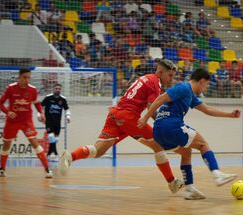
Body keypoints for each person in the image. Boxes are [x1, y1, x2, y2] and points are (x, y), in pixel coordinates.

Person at [59, 59, 184, 194]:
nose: (171, 79)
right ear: (160, 72)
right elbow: (151, 108)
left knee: (98, 150)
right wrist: (165, 124)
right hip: (129, 117)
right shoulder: (155, 83)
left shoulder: (145, 78)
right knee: (158, 146)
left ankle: (69, 157)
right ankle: (172, 183)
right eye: (170, 75)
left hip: (115, 114)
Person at [138, 68, 240, 200]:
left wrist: (230, 115)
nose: (205, 88)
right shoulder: (183, 87)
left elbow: (207, 110)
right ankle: (217, 174)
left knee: (186, 152)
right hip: (171, 126)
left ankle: (189, 189)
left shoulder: (190, 95)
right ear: (202, 81)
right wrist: (145, 118)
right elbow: (160, 99)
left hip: (159, 132)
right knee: (203, 145)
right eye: (206, 85)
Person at [0, 68, 53, 178]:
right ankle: (2, 169)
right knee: (6, 145)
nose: (27, 80)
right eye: (24, 77)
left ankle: (47, 169)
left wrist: (41, 113)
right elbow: (0, 103)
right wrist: (7, 112)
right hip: (12, 122)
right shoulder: (10, 88)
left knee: (34, 142)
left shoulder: (32, 89)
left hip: (26, 122)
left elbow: (37, 103)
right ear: (19, 77)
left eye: (29, 77)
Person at [41, 84, 71, 158]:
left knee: (56, 139)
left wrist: (68, 116)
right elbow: (40, 106)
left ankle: (49, 153)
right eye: (56, 88)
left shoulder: (63, 99)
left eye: (59, 89)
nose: (57, 90)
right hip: (49, 121)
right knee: (51, 137)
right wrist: (40, 115)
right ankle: (56, 153)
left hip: (57, 122)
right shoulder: (48, 98)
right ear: (53, 89)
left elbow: (67, 109)